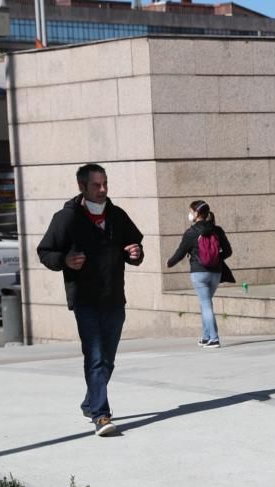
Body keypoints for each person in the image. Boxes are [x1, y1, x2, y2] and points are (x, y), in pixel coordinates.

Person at [37, 163, 144, 437]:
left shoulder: (117, 215)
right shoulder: (66, 218)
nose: (103, 190)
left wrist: (135, 252)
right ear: (82, 187)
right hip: (85, 299)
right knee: (95, 357)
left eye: (105, 183)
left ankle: (89, 402)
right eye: (96, 185)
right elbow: (46, 251)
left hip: (113, 297)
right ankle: (101, 415)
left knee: (107, 360)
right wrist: (65, 260)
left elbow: (133, 247)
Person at [166, 200, 233, 349]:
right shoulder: (218, 230)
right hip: (216, 272)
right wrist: (215, 258)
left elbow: (180, 253)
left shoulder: (191, 232)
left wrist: (169, 263)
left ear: (196, 214)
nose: (190, 214)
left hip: (199, 272)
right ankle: (205, 337)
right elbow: (228, 251)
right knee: (205, 303)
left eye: (191, 211)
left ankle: (214, 338)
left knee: (206, 304)